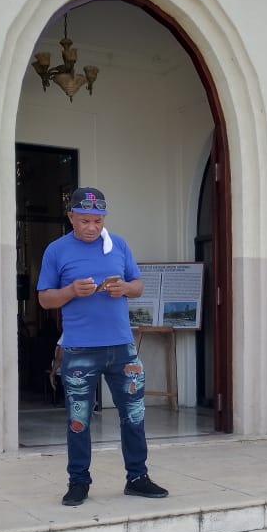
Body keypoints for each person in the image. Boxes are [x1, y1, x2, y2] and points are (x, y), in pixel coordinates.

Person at [37, 187, 167, 506]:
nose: (92, 227)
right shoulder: (56, 250)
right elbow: (44, 299)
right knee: (79, 420)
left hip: (122, 347)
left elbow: (138, 286)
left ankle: (137, 477)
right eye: (85, 221)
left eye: (98, 221)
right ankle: (78, 481)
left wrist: (124, 288)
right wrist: (71, 291)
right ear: (71, 217)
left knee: (133, 415)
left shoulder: (118, 244)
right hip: (80, 350)